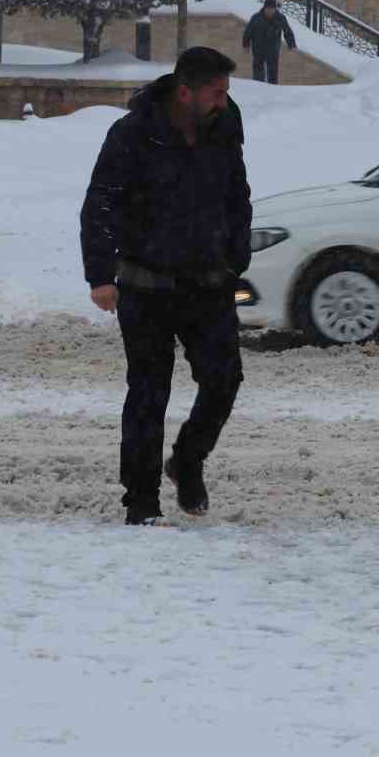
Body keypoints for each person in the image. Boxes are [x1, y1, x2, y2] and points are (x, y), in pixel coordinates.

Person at [79, 46, 252, 526]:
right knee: (148, 393)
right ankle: (141, 503)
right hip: (146, 284)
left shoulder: (225, 125)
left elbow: (237, 195)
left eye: (226, 93)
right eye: (216, 93)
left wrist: (236, 256)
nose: (223, 102)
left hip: (209, 284)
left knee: (223, 380)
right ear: (185, 92)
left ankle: (188, 459)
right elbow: (101, 203)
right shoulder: (134, 133)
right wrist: (100, 275)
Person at [241, 0, 297, 85]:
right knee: (258, 72)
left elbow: (287, 31)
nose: (270, 11)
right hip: (258, 48)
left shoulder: (280, 18)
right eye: (268, 9)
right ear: (264, 8)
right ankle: (258, 87)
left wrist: (292, 45)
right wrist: (246, 44)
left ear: (275, 9)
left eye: (272, 9)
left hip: (273, 49)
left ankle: (272, 89)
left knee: (273, 72)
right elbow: (248, 31)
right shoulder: (256, 18)